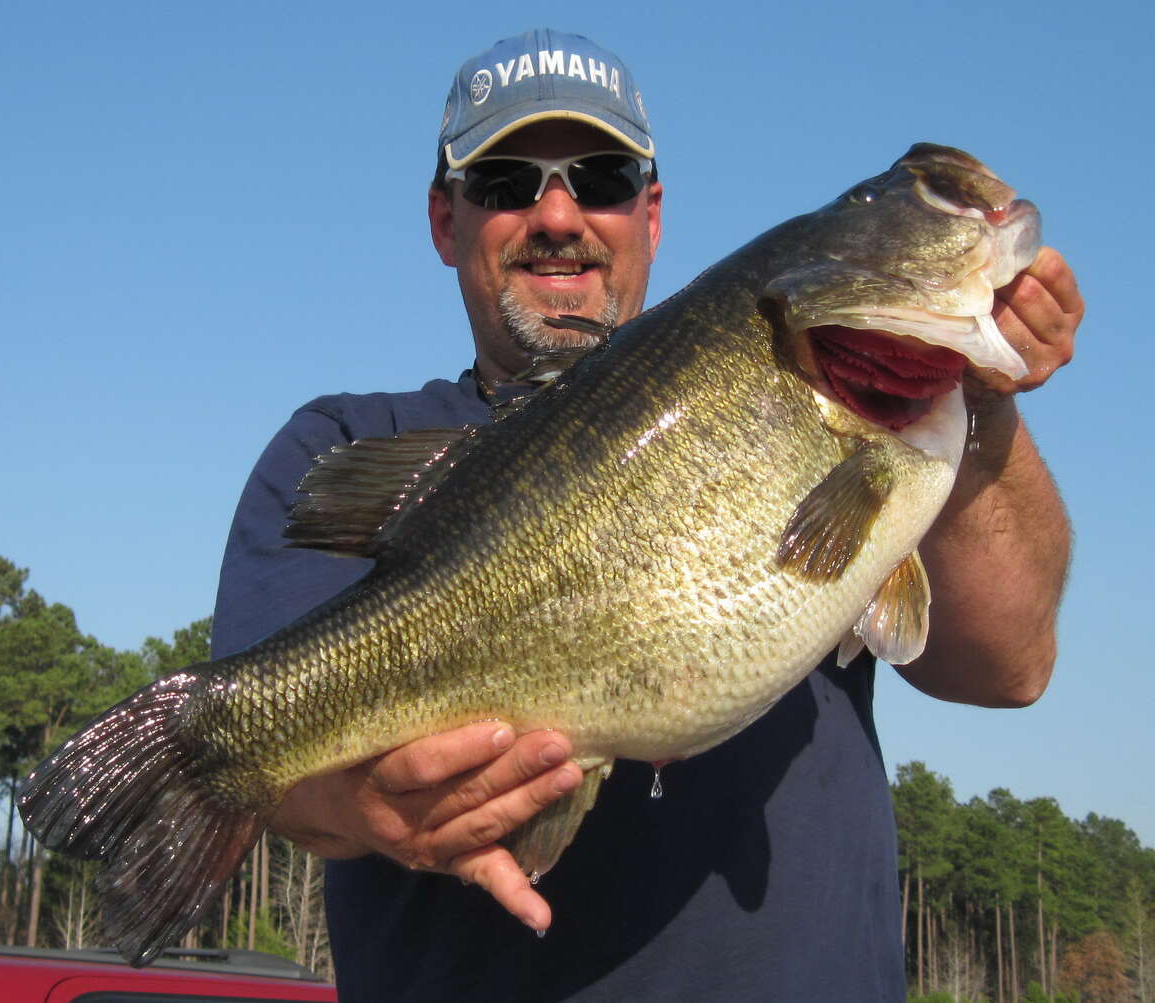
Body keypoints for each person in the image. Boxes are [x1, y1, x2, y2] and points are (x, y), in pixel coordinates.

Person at [211, 28, 1081, 1001]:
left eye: (601, 175)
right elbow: (262, 760)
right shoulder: (346, 447)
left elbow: (1013, 668)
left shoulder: (879, 415)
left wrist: (986, 399)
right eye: (505, 180)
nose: (556, 212)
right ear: (443, 219)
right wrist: (360, 802)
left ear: (651, 213)